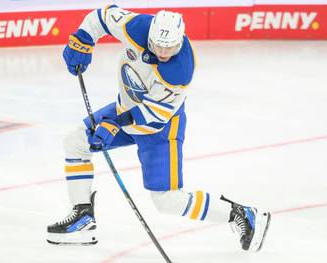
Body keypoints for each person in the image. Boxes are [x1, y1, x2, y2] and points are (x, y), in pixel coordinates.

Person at [46, 5, 271, 252]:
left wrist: (113, 125)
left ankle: (242, 215)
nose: (164, 52)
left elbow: (153, 116)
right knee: (76, 140)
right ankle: (82, 214)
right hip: (124, 110)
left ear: (180, 40)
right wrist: (83, 39)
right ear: (150, 36)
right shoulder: (136, 27)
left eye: (170, 48)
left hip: (161, 129)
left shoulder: (179, 70)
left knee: (167, 200)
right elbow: (100, 17)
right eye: (159, 46)